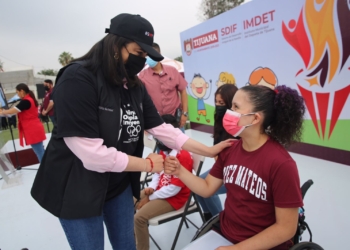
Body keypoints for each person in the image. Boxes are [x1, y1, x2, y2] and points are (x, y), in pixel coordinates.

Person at [30, 13, 232, 250]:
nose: (142, 60)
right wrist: (147, 165)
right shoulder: (78, 79)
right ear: (116, 46)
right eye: (138, 53)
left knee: (126, 245)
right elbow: (92, 155)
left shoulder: (134, 86)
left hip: (117, 186)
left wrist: (208, 150)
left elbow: (162, 129)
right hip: (78, 189)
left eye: (145, 56)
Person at [165, 85, 306, 250]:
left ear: (255, 119)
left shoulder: (281, 164)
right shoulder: (230, 149)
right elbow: (207, 188)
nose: (228, 112)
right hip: (224, 234)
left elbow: (286, 229)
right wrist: (179, 171)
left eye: (235, 107)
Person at [134, 114, 193, 250]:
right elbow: (157, 173)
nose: (156, 137)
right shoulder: (164, 151)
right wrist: (151, 188)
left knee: (139, 218)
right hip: (160, 191)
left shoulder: (182, 156)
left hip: (174, 198)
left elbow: (174, 189)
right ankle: (133, 239)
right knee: (129, 200)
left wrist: (150, 198)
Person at [196, 84, 238, 222]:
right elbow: (216, 148)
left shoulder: (239, 124)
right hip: (223, 165)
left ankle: (220, 222)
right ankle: (208, 219)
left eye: (222, 103)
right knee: (197, 185)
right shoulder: (219, 119)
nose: (218, 106)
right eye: (216, 102)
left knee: (208, 190)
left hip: (236, 169)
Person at [139, 43, 188, 131]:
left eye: (150, 56)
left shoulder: (172, 71)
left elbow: (183, 91)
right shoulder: (142, 76)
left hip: (175, 120)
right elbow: (140, 100)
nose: (147, 59)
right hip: (156, 122)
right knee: (159, 145)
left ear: (158, 55)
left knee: (180, 144)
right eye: (146, 56)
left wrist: (184, 114)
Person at [0, 83, 46, 162]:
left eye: (17, 92)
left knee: (39, 152)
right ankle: (48, 168)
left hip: (32, 128)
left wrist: (2, 112)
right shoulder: (30, 99)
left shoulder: (26, 101)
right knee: (41, 150)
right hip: (34, 127)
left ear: (22, 91)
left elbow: (12, 111)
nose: (17, 95)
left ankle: (46, 170)